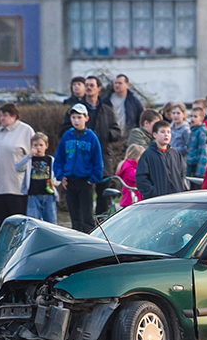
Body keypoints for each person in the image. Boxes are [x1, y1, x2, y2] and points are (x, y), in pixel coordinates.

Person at [63, 75, 121, 215]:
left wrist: (106, 134)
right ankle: (83, 228)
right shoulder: (75, 110)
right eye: (86, 85)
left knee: (103, 199)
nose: (88, 88)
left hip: (102, 158)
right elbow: (64, 131)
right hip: (80, 160)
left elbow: (116, 131)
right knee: (83, 202)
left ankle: (101, 226)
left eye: (91, 85)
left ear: (98, 89)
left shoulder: (107, 110)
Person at [0, 103, 34, 242]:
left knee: (16, 221)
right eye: (0, 115)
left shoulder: (25, 131)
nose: (2, 119)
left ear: (14, 116)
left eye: (5, 115)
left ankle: (17, 247)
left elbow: (34, 155)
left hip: (15, 186)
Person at [53, 103, 104, 233]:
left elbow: (97, 160)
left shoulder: (91, 137)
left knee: (87, 217)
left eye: (79, 117)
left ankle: (89, 242)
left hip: (85, 181)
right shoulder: (67, 136)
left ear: (86, 118)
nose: (76, 120)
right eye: (74, 117)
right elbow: (59, 158)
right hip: (69, 181)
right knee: (75, 218)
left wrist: (93, 178)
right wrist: (60, 176)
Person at [135, 120, 187, 199]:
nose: (166, 134)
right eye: (162, 132)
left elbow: (182, 175)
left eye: (168, 132)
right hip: (157, 200)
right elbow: (141, 178)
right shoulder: (148, 155)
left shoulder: (176, 154)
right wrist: (152, 192)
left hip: (176, 199)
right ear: (155, 135)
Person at [16, 133, 57, 224]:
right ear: (31, 146)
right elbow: (18, 168)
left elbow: (57, 174)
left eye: (41, 145)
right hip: (33, 195)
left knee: (51, 222)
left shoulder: (51, 160)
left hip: (48, 195)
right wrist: (28, 156)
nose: (38, 148)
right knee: (32, 222)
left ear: (46, 146)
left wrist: (54, 182)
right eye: (35, 145)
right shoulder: (29, 160)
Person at [116, 144, 145, 208]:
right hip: (131, 199)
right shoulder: (128, 167)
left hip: (134, 198)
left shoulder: (130, 166)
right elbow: (137, 177)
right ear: (136, 156)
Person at [187, 107, 207, 177]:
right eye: (191, 116)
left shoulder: (202, 132)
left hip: (198, 168)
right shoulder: (192, 130)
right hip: (190, 166)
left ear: (202, 118)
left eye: (195, 116)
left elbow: (203, 152)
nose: (192, 118)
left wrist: (200, 171)